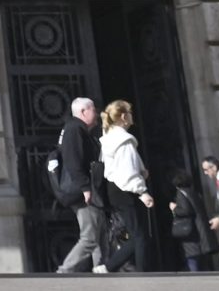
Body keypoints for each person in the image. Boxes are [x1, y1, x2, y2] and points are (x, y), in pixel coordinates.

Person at [99, 99, 155, 273]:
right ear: (123, 117)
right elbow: (128, 170)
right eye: (130, 113)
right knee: (139, 235)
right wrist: (142, 192)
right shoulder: (124, 140)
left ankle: (108, 267)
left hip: (114, 189)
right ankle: (142, 274)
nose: (132, 116)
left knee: (137, 234)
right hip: (126, 189)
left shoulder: (109, 139)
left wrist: (141, 172)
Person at [54, 98, 104, 273]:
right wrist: (85, 188)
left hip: (85, 189)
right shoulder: (74, 129)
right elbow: (73, 161)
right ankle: (65, 271)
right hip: (82, 191)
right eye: (93, 110)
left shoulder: (76, 129)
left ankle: (101, 268)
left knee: (98, 232)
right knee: (90, 237)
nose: (96, 114)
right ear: (83, 111)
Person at [168, 167, 208, 272]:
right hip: (196, 228)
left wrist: (174, 208)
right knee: (197, 256)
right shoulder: (193, 192)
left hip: (188, 230)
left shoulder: (181, 193)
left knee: (191, 256)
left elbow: (185, 210)